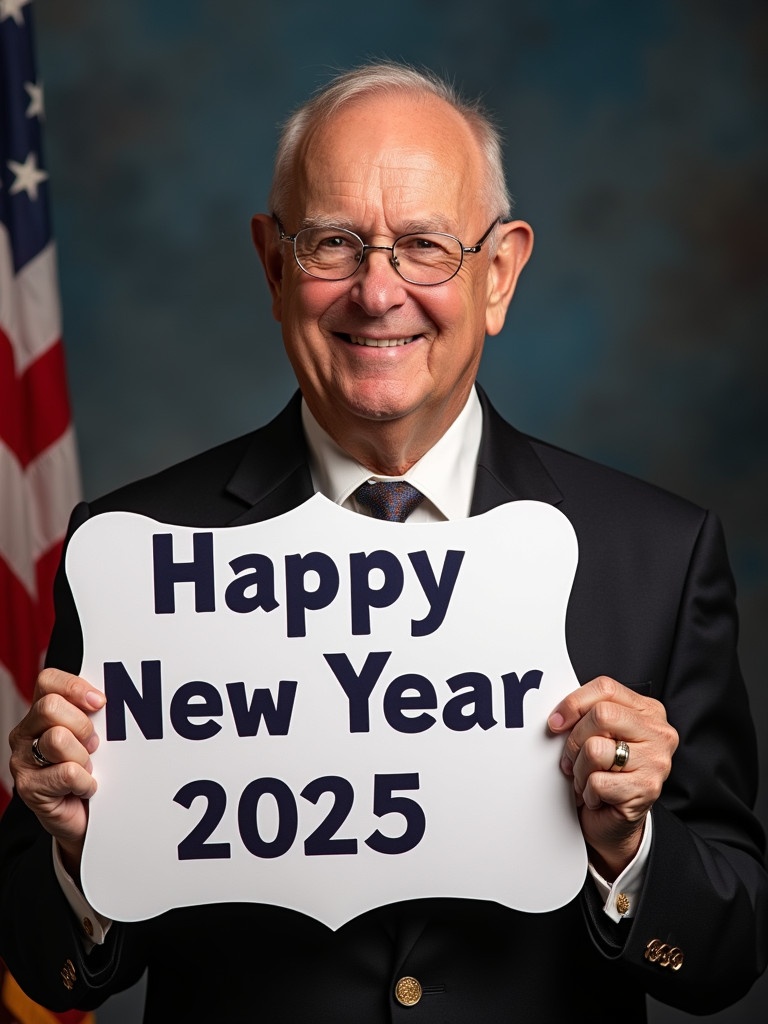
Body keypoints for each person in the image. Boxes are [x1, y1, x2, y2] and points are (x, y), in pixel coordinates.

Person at [1, 61, 766, 1023]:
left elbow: (730, 952)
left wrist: (631, 849)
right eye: (333, 244)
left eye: (424, 247)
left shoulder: (655, 555)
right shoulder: (136, 551)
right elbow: (43, 968)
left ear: (499, 274)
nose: (377, 291)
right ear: (274, 266)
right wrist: (78, 849)